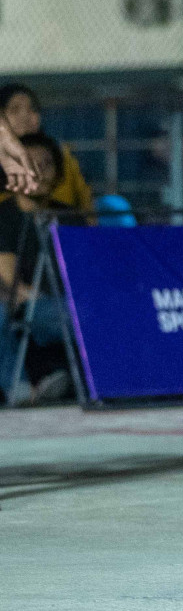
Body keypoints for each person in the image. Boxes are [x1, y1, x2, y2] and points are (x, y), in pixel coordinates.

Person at [0, 133, 78, 404]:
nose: (39, 173)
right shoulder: (5, 217)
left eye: (46, 165)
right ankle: (24, 390)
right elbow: (9, 279)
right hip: (33, 303)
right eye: (30, 164)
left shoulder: (70, 216)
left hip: (71, 300)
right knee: (74, 317)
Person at [0, 84, 92, 215]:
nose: (25, 116)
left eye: (32, 109)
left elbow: (84, 202)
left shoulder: (61, 155)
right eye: (15, 110)